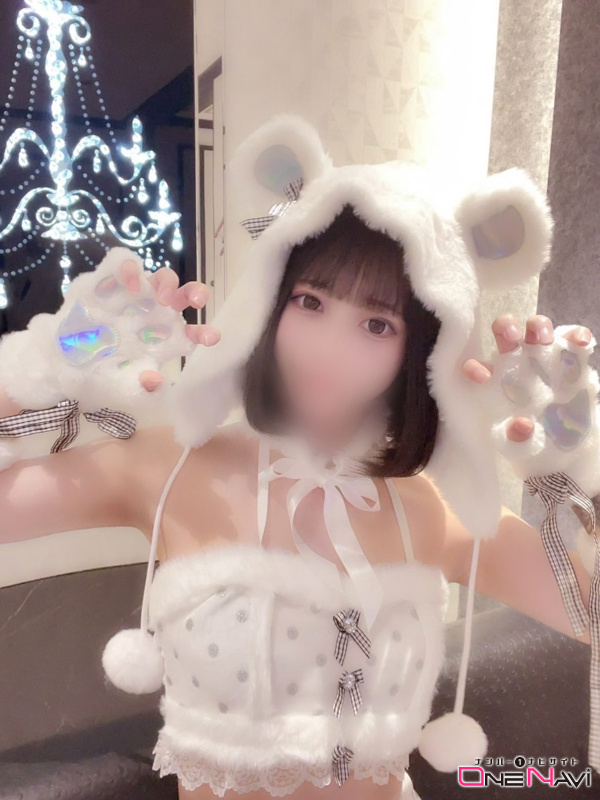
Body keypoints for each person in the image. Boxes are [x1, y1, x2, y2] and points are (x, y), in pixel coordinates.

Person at [0, 114, 595, 800]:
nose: (327, 349)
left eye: (377, 323)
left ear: (424, 348)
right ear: (270, 301)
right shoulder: (171, 467)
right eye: (310, 301)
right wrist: (46, 362)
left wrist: (579, 467)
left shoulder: (431, 509)